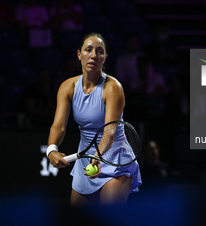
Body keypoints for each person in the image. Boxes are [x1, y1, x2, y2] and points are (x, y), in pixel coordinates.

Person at [46, 32, 142, 206]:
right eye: (88, 50)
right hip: (86, 159)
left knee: (109, 217)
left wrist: (98, 156)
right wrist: (51, 149)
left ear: (105, 58)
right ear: (79, 54)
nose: (93, 55)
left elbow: (110, 130)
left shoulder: (113, 88)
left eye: (99, 51)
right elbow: (58, 126)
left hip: (114, 158)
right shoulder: (67, 87)